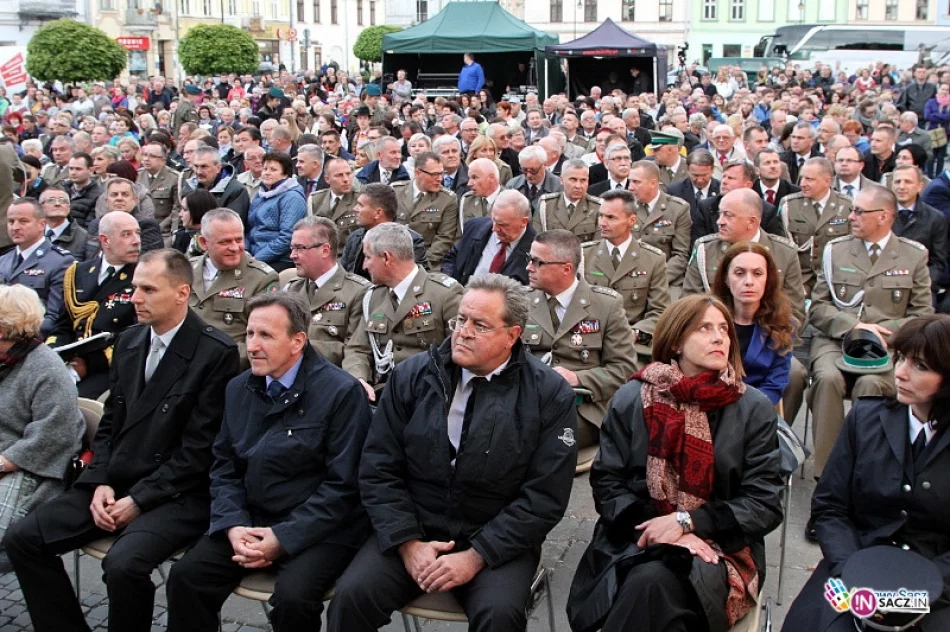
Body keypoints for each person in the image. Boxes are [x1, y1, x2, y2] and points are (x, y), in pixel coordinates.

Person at [4, 249, 241, 632]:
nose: (135, 298)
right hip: (116, 481)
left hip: (177, 493)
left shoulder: (215, 352)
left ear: (182, 293)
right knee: (23, 539)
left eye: (148, 289)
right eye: (134, 288)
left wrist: (139, 500)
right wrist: (99, 480)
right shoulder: (130, 340)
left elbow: (199, 451)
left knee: (123, 565)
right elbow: (110, 424)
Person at [327, 273, 577, 632]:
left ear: (512, 335)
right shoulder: (413, 376)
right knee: (351, 598)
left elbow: (544, 497)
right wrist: (408, 544)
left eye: (480, 325)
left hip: (494, 537)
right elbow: (378, 467)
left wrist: (476, 556)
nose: (464, 332)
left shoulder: (548, 394)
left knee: (500, 617)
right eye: (461, 320)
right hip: (414, 525)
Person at [566, 294, 783, 632]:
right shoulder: (631, 398)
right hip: (632, 536)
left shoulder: (753, 409)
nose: (719, 338)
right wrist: (662, 531)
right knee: (653, 588)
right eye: (704, 328)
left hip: (720, 547)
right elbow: (608, 485)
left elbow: (763, 503)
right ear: (677, 341)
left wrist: (688, 523)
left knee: (649, 583)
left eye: (724, 329)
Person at [165, 291, 371, 632]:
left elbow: (344, 487)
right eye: (249, 333)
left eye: (266, 335)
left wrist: (283, 537)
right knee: (187, 577)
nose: (252, 346)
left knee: (293, 599)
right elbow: (224, 466)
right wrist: (233, 525)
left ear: (297, 341)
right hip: (251, 518)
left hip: (320, 529)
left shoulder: (341, 393)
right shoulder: (238, 387)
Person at [784, 313, 950, 631]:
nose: (900, 373)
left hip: (936, 582)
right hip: (856, 561)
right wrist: (852, 571)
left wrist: (922, 590)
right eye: (901, 359)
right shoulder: (866, 418)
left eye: (920, 366)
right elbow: (830, 507)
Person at [807, 185, 934, 483]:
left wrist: (882, 334)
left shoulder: (913, 255)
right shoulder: (836, 250)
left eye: (859, 212)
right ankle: (828, 476)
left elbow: (923, 315)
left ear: (884, 216)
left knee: (870, 384)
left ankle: (866, 472)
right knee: (827, 379)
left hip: (887, 348)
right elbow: (818, 308)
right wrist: (854, 327)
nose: (851, 217)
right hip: (837, 342)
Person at [524, 229, 636, 469]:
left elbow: (624, 370)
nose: (529, 267)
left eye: (538, 262)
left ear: (566, 268)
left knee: (535, 438)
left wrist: (577, 378)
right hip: (528, 399)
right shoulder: (522, 302)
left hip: (581, 407)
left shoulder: (606, 305)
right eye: (529, 259)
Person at [0, 285, 84, 568]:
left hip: (30, 471)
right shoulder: (5, 360)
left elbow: (53, 436)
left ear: (2, 330)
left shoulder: (46, 368)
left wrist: (3, 462)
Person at [342, 222, 462, 401]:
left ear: (386, 258)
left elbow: (458, 353)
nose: (364, 266)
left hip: (428, 394)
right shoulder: (373, 297)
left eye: (367, 257)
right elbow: (358, 349)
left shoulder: (444, 294)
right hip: (382, 394)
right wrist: (359, 379)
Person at [47, 211, 141, 399]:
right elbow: (63, 325)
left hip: (111, 367)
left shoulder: (141, 276)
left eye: (137, 233)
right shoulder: (78, 272)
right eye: (126, 234)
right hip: (70, 361)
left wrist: (87, 364)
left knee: (71, 401)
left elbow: (136, 335)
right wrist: (54, 355)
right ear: (105, 240)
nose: (136, 241)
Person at [580, 189, 669, 357]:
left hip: (632, 346)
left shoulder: (653, 259)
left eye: (611, 217)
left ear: (632, 221)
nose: (602, 223)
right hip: (589, 344)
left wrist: (635, 333)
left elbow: (659, 310)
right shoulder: (583, 255)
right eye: (601, 216)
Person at [188, 209, 279, 366]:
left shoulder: (261, 278)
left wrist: (216, 358)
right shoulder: (185, 271)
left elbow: (265, 339)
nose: (235, 248)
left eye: (239, 240)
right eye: (225, 242)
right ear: (203, 243)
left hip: (227, 365)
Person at [711, 242, 797, 405]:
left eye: (757, 274)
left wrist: (747, 411)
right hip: (710, 403)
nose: (749, 281)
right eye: (739, 273)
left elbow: (774, 385)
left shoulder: (783, 323)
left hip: (756, 407)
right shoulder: (707, 318)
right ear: (726, 279)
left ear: (768, 279)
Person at [284, 216, 371, 367]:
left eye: (300, 248)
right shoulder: (292, 289)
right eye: (292, 248)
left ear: (324, 251)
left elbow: (356, 351)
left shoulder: (358, 292)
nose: (293, 255)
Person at [778, 157, 854, 294]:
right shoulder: (789, 206)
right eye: (802, 178)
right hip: (800, 280)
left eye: (809, 179)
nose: (802, 184)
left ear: (827, 181)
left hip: (835, 279)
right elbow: (783, 248)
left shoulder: (848, 206)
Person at [0, 197, 74, 336]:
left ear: (41, 225)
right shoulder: (3, 260)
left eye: (23, 221)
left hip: (33, 338)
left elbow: (55, 317)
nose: (15, 227)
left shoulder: (60, 262)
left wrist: (17, 334)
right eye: (11, 221)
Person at [442, 189, 536, 286]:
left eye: (502, 225)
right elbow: (451, 258)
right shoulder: (475, 227)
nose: (494, 228)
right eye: (493, 220)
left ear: (523, 222)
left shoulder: (536, 251)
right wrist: (451, 286)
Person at [627, 160, 692, 289]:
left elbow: (680, 255)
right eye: (630, 181)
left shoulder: (678, 209)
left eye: (636, 182)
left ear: (653, 183)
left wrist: (656, 280)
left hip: (666, 279)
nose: (630, 187)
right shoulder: (626, 207)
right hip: (630, 278)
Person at [392, 151, 459, 269]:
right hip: (393, 257)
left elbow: (444, 238)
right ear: (417, 173)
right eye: (434, 174)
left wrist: (422, 263)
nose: (440, 179)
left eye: (441, 173)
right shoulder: (395, 191)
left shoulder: (447, 199)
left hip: (427, 263)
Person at [891, 165, 949, 296]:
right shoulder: (880, 213)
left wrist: (921, 286)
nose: (901, 186)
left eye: (908, 182)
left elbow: (938, 262)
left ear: (920, 186)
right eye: (897, 181)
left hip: (921, 287)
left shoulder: (935, 218)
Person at [247, 151, 308, 272]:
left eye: (273, 170)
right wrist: (244, 251)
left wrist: (257, 259)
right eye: (265, 169)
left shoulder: (292, 197)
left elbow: (287, 237)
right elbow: (248, 229)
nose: (267, 173)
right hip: (253, 255)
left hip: (279, 259)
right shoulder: (261, 194)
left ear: (285, 174)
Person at [534, 159, 602, 243]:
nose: (578, 186)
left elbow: (598, 245)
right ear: (561, 180)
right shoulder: (546, 205)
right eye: (573, 179)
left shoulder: (597, 207)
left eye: (583, 180)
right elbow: (538, 240)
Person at [179, 146, 251, 225]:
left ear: (218, 168)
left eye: (204, 167)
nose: (199, 172)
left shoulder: (236, 191)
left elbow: (231, 226)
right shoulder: (190, 186)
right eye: (196, 166)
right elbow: (181, 221)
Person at [137, 142, 179, 243]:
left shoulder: (174, 178)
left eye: (152, 156)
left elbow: (176, 209)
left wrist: (173, 232)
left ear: (163, 160)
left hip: (164, 231)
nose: (146, 159)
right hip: (140, 229)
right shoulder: (137, 176)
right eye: (145, 155)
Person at [40, 186, 88, 260]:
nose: (57, 204)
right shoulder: (32, 234)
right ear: (41, 207)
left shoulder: (83, 238)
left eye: (63, 201)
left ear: (69, 207)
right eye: (51, 200)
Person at [459, 158, 504, 227]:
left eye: (474, 177)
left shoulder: (511, 201)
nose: (469, 183)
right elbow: (462, 231)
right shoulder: (467, 200)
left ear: (491, 178)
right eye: (469, 178)